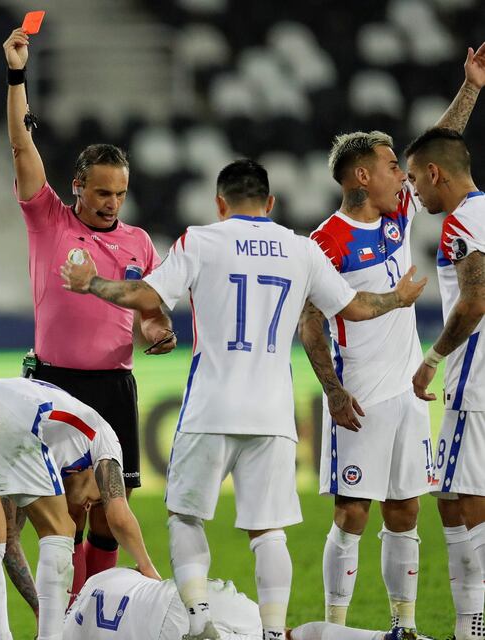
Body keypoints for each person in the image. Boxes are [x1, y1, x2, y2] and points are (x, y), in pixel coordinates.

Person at [60, 159, 426, 640]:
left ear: (219, 203)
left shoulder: (200, 240)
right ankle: (273, 633)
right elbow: (355, 307)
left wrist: (93, 284)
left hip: (210, 405)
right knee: (268, 531)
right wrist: (397, 299)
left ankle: (197, 620)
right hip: (273, 411)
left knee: (186, 516)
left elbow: (145, 293)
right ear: (270, 203)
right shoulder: (301, 249)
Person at [298, 43, 485, 637]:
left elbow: (439, 152)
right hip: (359, 392)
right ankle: (334, 626)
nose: (402, 178)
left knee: (406, 513)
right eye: (389, 168)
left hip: (408, 392)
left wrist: (472, 89)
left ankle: (402, 627)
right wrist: (330, 390)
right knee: (351, 513)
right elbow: (310, 322)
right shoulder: (324, 241)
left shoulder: (398, 215)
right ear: (361, 175)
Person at [3, 26, 172, 599]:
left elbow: (151, 312)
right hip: (56, 384)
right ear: (78, 187)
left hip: (115, 387)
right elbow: (23, 147)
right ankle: (67, 611)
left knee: (106, 512)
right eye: (102, 193)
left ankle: (94, 609)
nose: (111, 203)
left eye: (119, 194)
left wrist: (158, 330)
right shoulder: (49, 219)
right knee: (65, 510)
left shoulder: (140, 243)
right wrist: (17, 76)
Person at [0, 377, 160, 640]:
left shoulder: (53, 442)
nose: (89, 505)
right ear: (93, 471)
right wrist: (147, 566)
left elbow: (9, 534)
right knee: (61, 530)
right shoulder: (104, 437)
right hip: (4, 415)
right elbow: (118, 514)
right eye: (97, 499)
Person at [407, 127, 485, 640]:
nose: (413, 190)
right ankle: (467, 624)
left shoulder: (461, 223)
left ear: (435, 173)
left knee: (467, 500)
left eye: (415, 179)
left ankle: (475, 623)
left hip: (474, 382)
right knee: (451, 497)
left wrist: (432, 359)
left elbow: (474, 299)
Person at [63, 568, 426, 640]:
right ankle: (382, 637)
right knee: (283, 636)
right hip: (190, 595)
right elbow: (148, 577)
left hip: (170, 627)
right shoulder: (102, 579)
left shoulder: (68, 630)